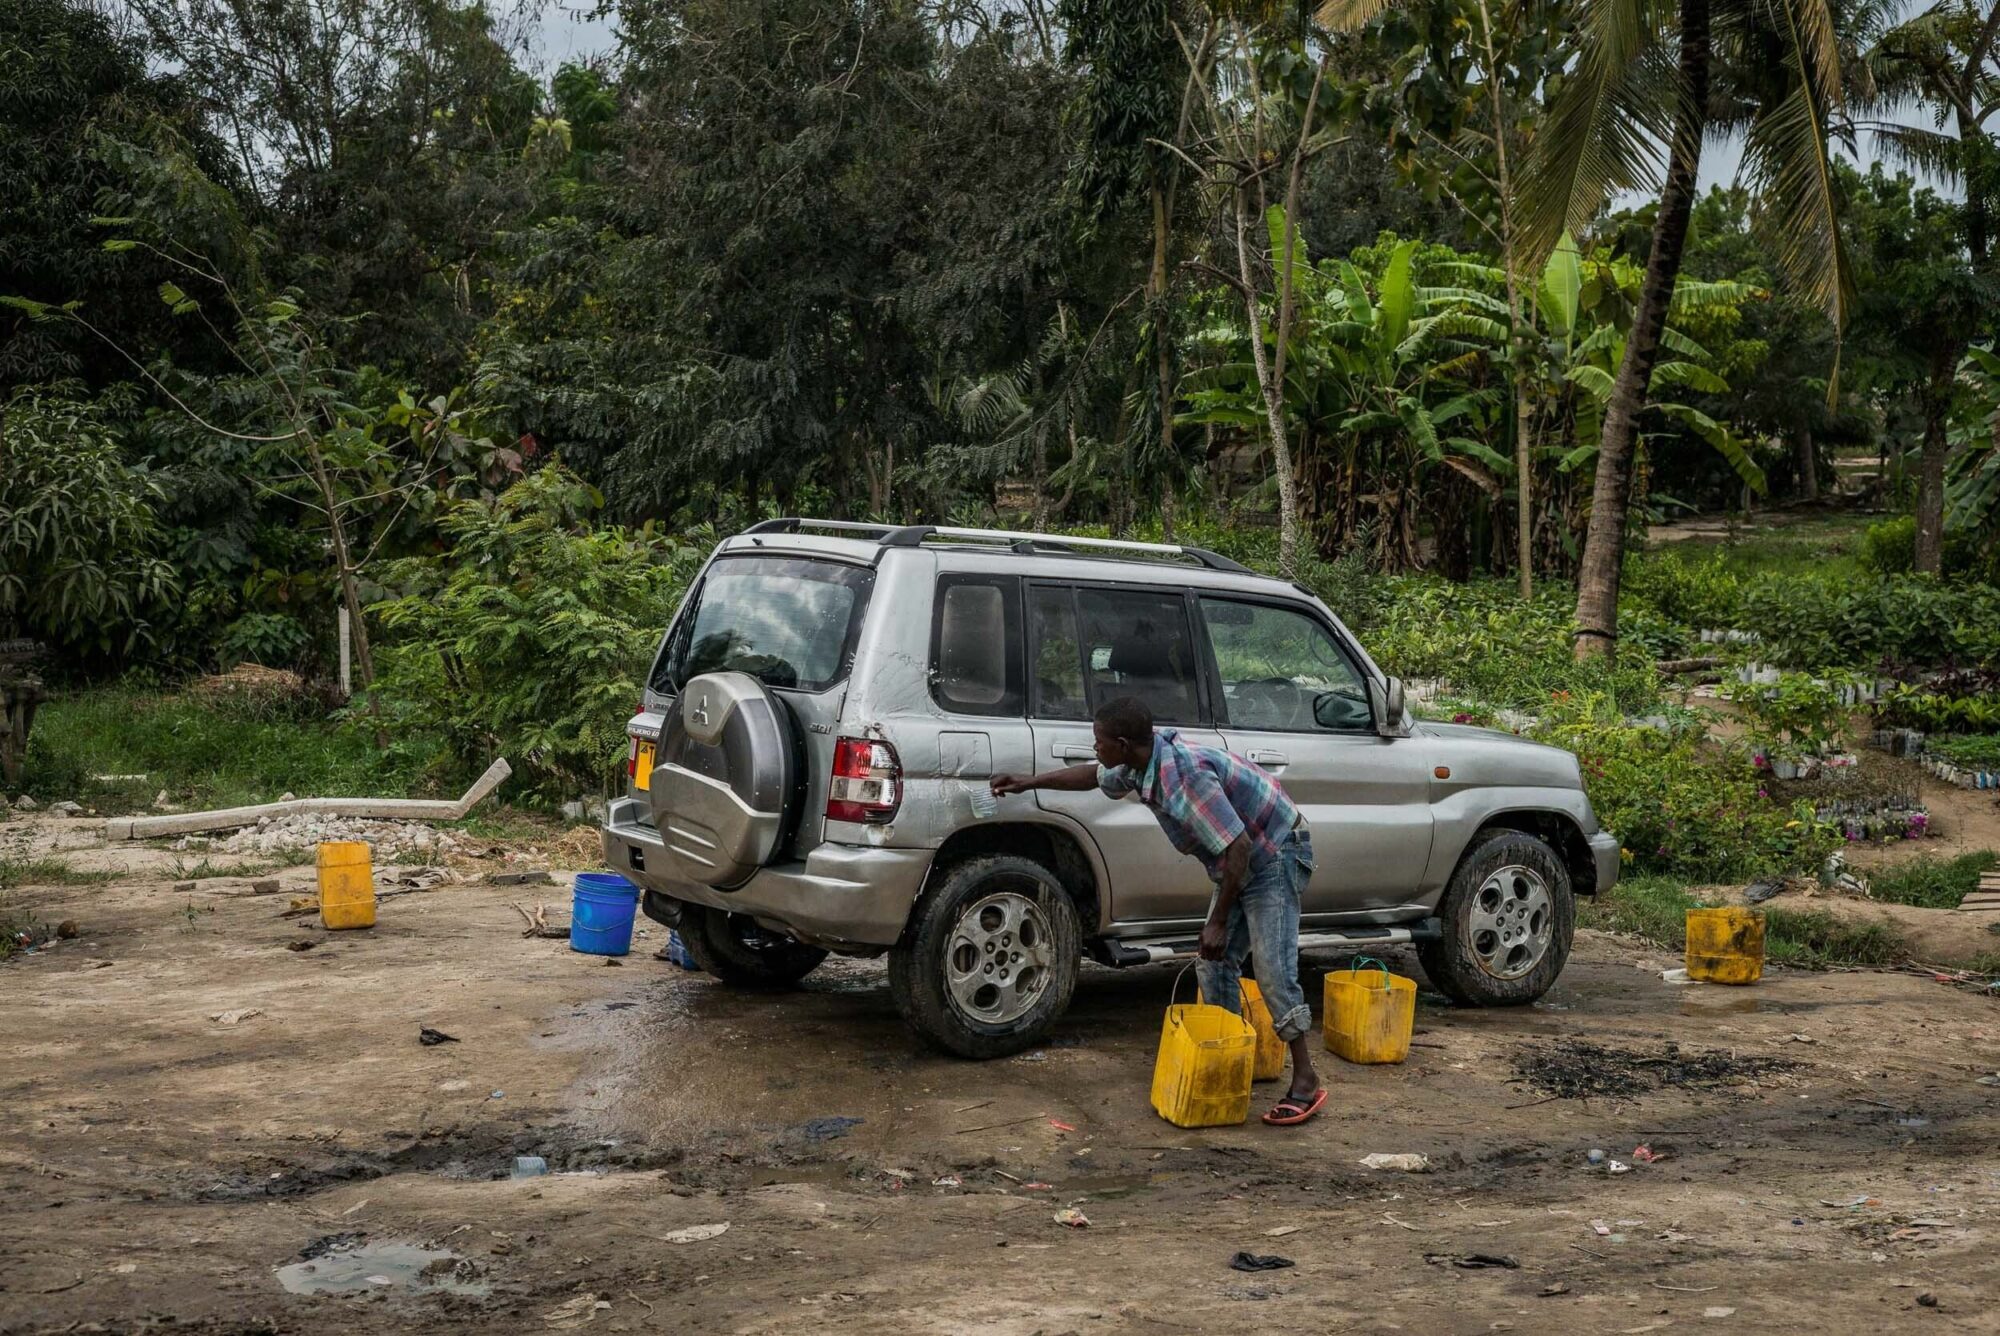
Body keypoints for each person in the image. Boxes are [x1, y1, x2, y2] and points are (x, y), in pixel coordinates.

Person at [991, 696, 1325, 1126]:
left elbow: (1238, 846)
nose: (1095, 748)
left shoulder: (1181, 780)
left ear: (1124, 744)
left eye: (1100, 741)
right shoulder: (1138, 763)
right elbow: (1092, 777)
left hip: (1275, 854)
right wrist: (1027, 782)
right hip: (1243, 859)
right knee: (1213, 966)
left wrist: (1219, 921)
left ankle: (1306, 1080)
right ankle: (1227, 1057)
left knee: (1273, 972)